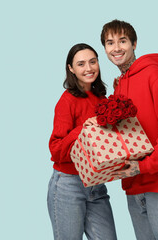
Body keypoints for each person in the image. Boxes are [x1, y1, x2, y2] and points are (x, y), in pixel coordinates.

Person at [99, 19, 158, 240]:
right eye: (110, 43)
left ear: (134, 44)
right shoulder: (120, 84)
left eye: (122, 41)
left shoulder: (156, 75)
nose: (116, 48)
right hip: (134, 184)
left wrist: (144, 166)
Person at [47, 43, 117, 240]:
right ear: (71, 69)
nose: (88, 68)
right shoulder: (67, 101)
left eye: (93, 62)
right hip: (68, 186)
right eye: (81, 64)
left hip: (97, 184)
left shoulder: (101, 98)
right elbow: (56, 150)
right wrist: (83, 129)